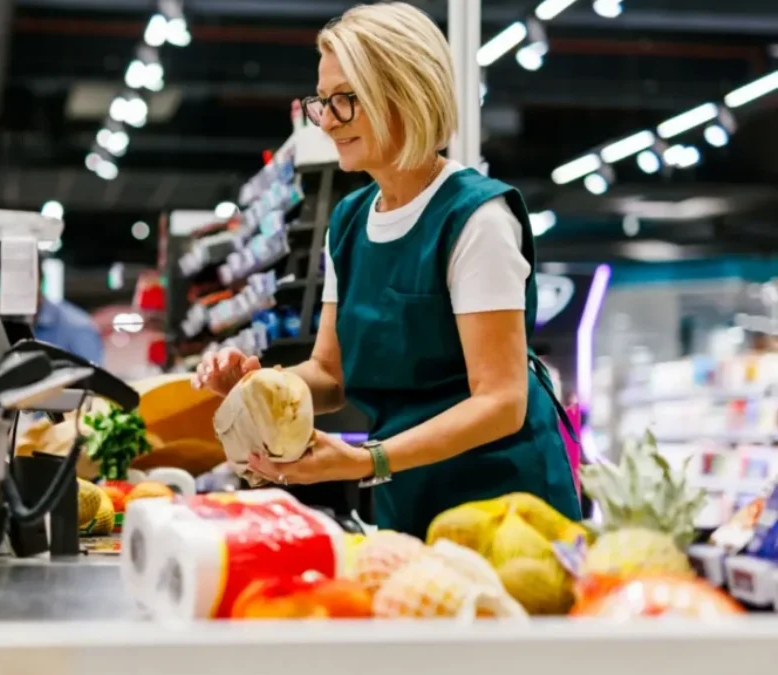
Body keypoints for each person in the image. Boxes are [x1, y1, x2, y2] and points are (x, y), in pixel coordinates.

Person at [192, 3, 581, 538]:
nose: (326, 121)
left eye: (344, 101)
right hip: (407, 497)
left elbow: (501, 401)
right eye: (322, 103)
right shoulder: (349, 222)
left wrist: (368, 460)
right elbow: (330, 376)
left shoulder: (475, 219)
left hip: (508, 510)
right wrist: (260, 386)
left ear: (404, 92)